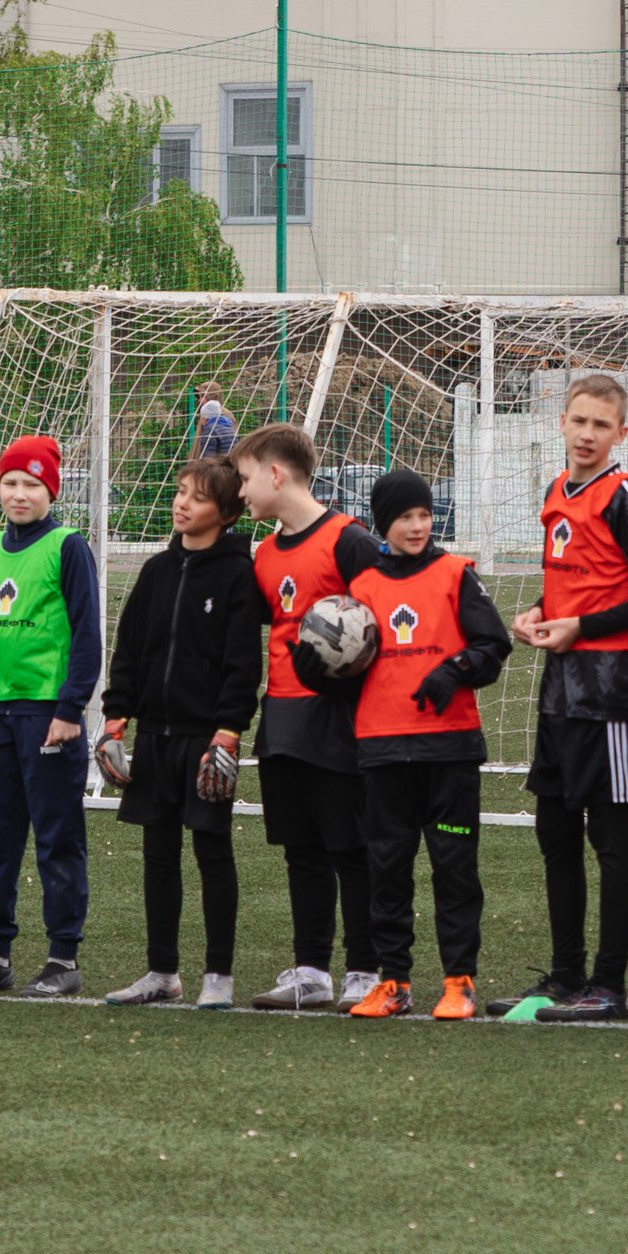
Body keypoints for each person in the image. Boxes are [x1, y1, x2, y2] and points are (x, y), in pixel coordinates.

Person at [502, 373, 628, 1024]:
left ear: (621, 434)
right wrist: (539, 613)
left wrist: (582, 628)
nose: (586, 433)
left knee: (609, 838)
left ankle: (608, 985)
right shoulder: (555, 490)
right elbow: (579, 588)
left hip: (607, 694)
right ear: (561, 421)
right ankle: (564, 975)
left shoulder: (627, 494)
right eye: (578, 420)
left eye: (601, 424)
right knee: (555, 835)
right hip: (558, 691)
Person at [0, 435, 105, 1000]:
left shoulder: (68, 546)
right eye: (10, 483)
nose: (18, 494)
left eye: (31, 485)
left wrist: (70, 708)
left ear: (50, 491)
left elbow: (87, 633)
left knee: (57, 838)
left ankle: (63, 958)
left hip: (46, 717)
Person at [348, 466, 512, 1021]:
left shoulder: (455, 574)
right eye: (404, 517)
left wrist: (456, 669)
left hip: (449, 750)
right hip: (383, 750)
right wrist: (318, 666)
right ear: (384, 523)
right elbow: (346, 662)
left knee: (455, 869)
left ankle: (458, 981)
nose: (417, 526)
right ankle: (393, 981)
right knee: (387, 870)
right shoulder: (362, 588)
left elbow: (495, 644)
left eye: (424, 515)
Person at [101, 454, 266, 1007]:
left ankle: (218, 976)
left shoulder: (238, 574)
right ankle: (161, 972)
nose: (181, 503)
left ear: (224, 512)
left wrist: (227, 732)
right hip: (154, 737)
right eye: (180, 492)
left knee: (213, 851)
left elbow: (244, 663)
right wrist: (116, 718)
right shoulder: (155, 571)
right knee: (158, 853)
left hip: (206, 741)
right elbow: (129, 650)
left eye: (196, 497)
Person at [239, 423, 384, 1008]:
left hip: (339, 720)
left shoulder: (350, 540)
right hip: (283, 720)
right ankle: (311, 970)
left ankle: (366, 969)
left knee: (350, 846)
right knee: (302, 849)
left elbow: (381, 621)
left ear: (276, 474)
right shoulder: (265, 554)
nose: (242, 491)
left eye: (247, 478)